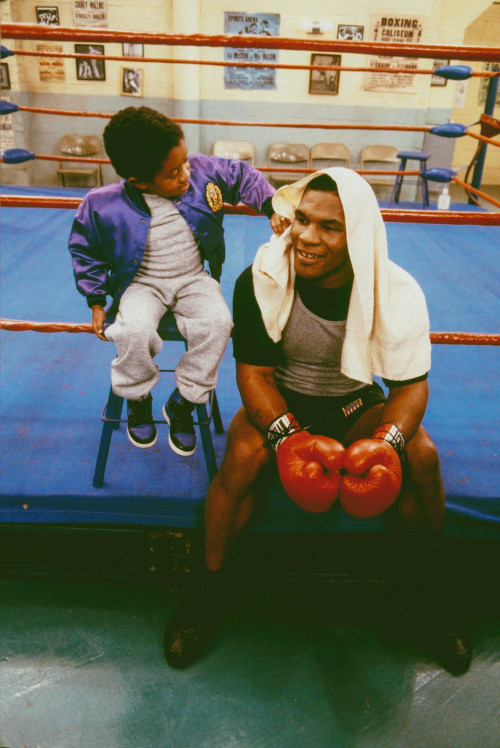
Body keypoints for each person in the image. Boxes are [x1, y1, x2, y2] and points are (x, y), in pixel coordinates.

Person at [163, 167, 472, 676]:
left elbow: (411, 385)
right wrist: (287, 436)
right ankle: (206, 592)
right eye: (302, 219)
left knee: (423, 457)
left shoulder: (397, 290)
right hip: (283, 398)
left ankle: (428, 596)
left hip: (355, 403)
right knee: (239, 459)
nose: (306, 237)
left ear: (359, 235)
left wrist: (388, 443)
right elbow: (255, 374)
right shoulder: (262, 277)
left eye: (329, 227)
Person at [68, 106, 282, 456]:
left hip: (193, 279)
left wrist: (272, 204)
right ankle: (137, 396)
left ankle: (184, 400)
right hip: (142, 284)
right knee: (131, 330)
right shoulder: (102, 204)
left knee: (219, 324)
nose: (186, 174)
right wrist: (95, 299)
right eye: (173, 172)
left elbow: (241, 175)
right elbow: (85, 249)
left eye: (185, 162)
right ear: (139, 181)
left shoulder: (201, 172)